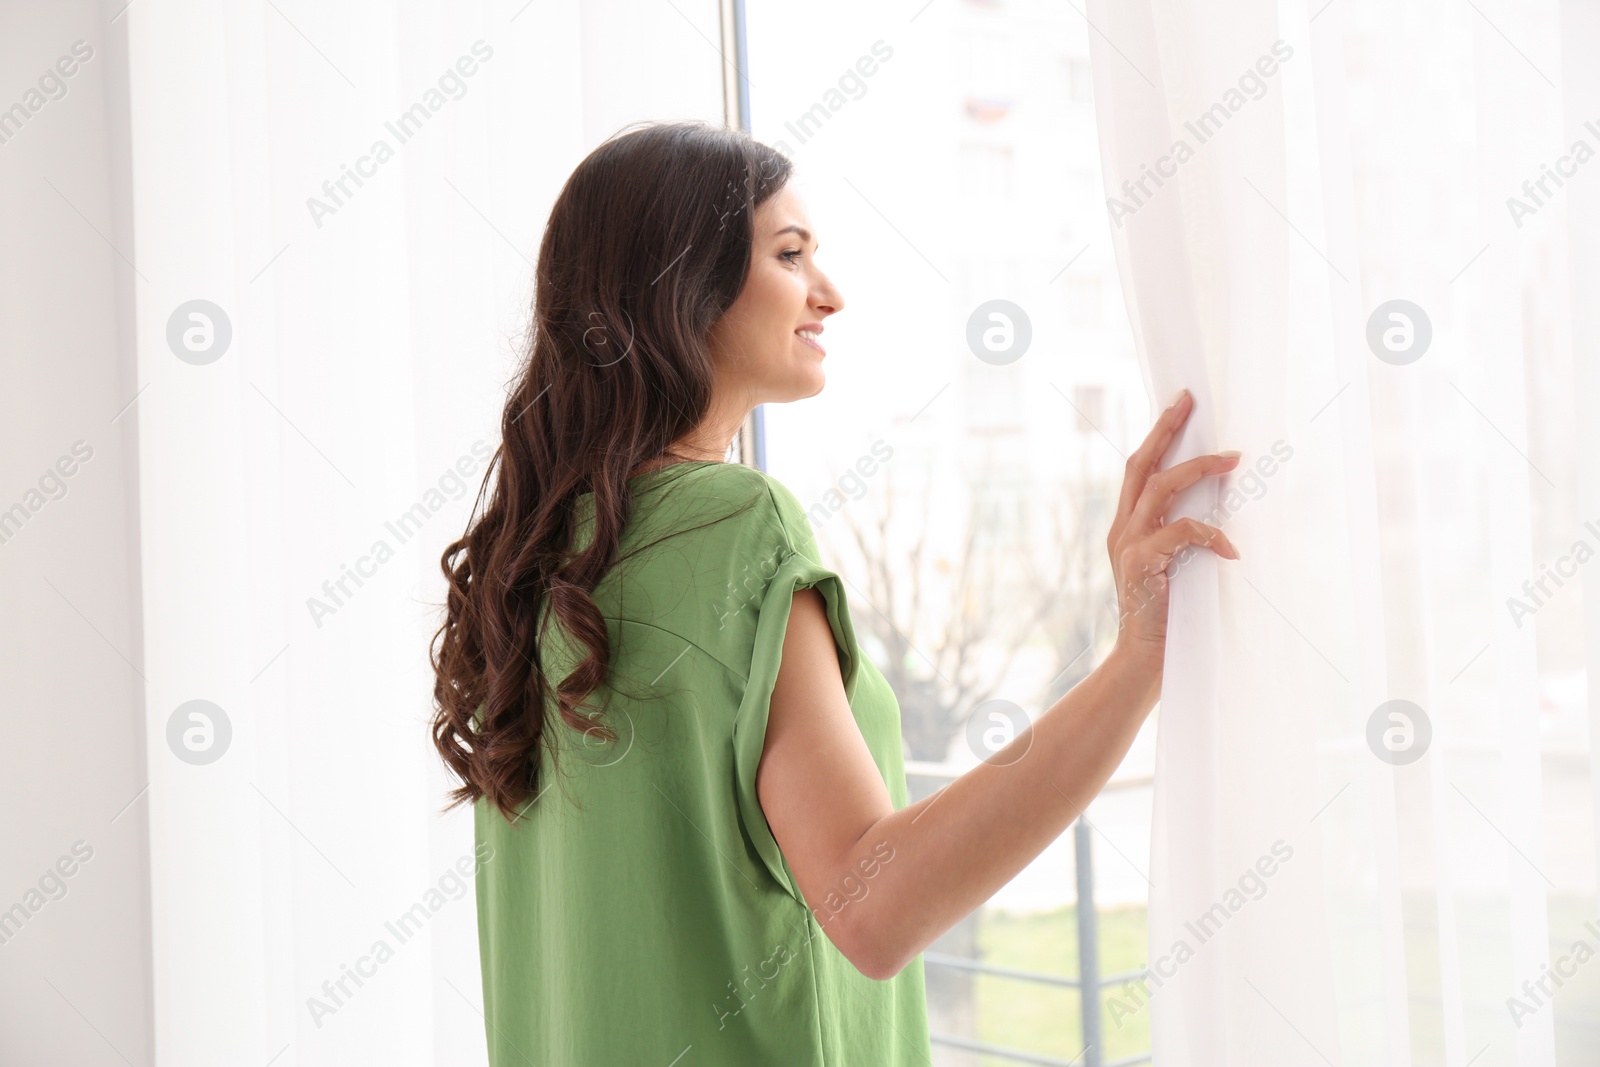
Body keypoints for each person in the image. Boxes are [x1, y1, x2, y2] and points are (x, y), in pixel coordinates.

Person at [429, 119, 1240, 1066]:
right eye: (789, 254)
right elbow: (873, 903)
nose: (831, 294)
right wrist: (1135, 661)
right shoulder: (733, 526)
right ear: (678, 287)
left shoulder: (526, 564)